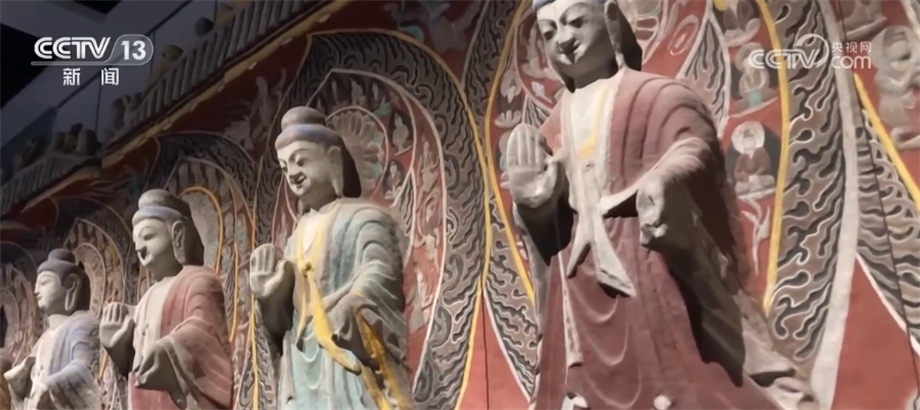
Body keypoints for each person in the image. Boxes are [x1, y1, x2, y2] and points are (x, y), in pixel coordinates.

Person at [507, 0, 816, 408]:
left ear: (610, 19)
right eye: (549, 33)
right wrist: (532, 201)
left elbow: (694, 144)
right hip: (581, 285)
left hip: (649, 258)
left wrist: (664, 179)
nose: (564, 39)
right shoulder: (549, 131)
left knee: (681, 369)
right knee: (591, 381)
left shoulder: (657, 96)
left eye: (576, 22)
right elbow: (544, 224)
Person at [250, 107, 411, 409]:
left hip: (345, 347)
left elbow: (380, 270)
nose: (293, 174)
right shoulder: (295, 238)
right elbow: (284, 321)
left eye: (301, 161)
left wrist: (354, 303)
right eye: (285, 167)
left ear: (333, 159)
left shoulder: (363, 218)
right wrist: (270, 296)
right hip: (301, 358)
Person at [100, 189, 233, 409]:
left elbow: (206, 332)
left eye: (148, 236)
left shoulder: (197, 281)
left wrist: (170, 351)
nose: (140, 247)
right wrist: (117, 345)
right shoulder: (146, 299)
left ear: (177, 234)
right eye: (136, 241)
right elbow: (135, 364)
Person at [3, 249, 99, 409]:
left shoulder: (83, 325)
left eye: (44, 283)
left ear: (71, 284)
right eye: (36, 284)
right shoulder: (43, 340)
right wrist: (22, 373)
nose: (36, 291)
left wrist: (51, 385)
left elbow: (86, 371)